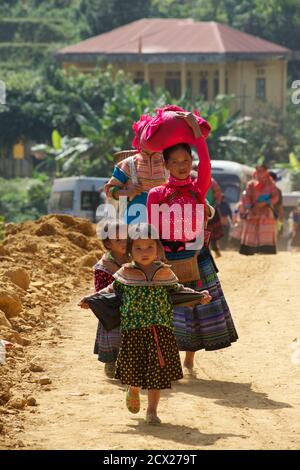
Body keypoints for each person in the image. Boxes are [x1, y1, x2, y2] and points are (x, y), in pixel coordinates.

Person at [147, 112, 238, 374]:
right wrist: (159, 254)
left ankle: (189, 359)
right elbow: (153, 228)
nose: (181, 164)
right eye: (174, 161)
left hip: (197, 255)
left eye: (186, 159)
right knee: (167, 311)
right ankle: (168, 359)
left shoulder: (199, 189)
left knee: (196, 309)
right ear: (166, 165)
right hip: (167, 257)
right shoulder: (156, 194)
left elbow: (206, 161)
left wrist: (196, 133)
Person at [93, 224, 210, 424]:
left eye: (150, 247)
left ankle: (152, 412)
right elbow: (109, 291)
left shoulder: (165, 273)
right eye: (138, 248)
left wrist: (199, 296)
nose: (144, 252)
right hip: (133, 332)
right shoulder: (125, 273)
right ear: (130, 251)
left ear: (158, 249)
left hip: (161, 331)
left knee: (157, 375)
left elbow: (178, 291)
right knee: (135, 371)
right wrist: (90, 300)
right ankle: (134, 389)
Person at [84, 221, 128, 379]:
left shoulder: (136, 259)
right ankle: (111, 362)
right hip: (113, 310)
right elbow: (101, 291)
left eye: (126, 238)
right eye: (118, 240)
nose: (124, 242)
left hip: (134, 308)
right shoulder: (103, 266)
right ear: (108, 244)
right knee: (113, 337)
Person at [104, 147, 168, 224]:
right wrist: (128, 192)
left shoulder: (170, 163)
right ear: (139, 140)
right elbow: (109, 191)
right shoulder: (128, 164)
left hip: (163, 221)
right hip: (133, 221)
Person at [239, 164, 279, 255]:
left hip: (266, 211)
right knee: (251, 231)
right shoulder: (251, 184)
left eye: (262, 170)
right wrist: (250, 207)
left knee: (265, 231)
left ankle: (266, 250)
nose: (260, 173)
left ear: (266, 171)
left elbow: (276, 197)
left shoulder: (271, 184)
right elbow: (246, 197)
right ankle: (249, 250)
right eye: (258, 170)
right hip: (253, 211)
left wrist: (265, 202)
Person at [206, 178, 224, 257]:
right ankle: (210, 252)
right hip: (200, 209)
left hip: (211, 209)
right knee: (204, 233)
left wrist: (214, 205)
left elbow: (218, 195)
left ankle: (215, 250)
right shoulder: (193, 180)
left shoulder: (211, 181)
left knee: (212, 233)